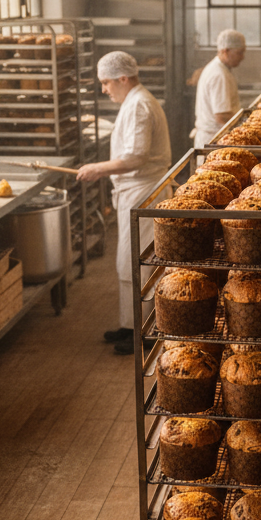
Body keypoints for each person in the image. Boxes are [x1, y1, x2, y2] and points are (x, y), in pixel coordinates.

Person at [77, 51, 172, 353]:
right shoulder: (133, 102)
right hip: (134, 192)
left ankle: (148, 332)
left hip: (143, 191)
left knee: (141, 263)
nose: (104, 89)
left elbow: (135, 157)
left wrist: (98, 169)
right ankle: (131, 326)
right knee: (127, 261)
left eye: (106, 83)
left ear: (123, 78)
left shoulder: (139, 105)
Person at [192, 28, 245, 149]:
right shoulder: (219, 75)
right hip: (214, 140)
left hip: (214, 138)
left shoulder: (220, 69)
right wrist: (245, 128)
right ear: (226, 51)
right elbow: (222, 115)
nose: (242, 57)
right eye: (239, 53)